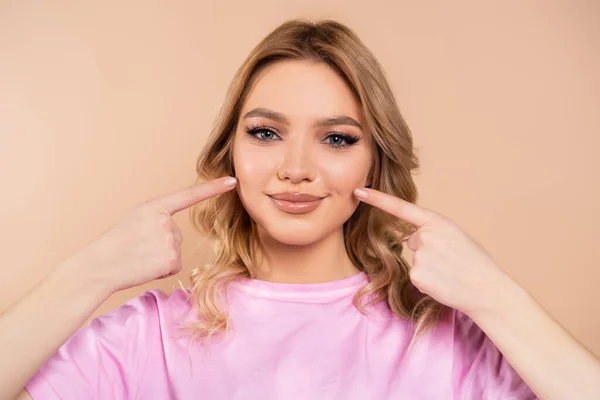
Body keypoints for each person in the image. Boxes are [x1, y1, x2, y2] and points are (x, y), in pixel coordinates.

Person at [2, 19, 599, 400]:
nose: (296, 167)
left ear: (374, 160)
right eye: (265, 133)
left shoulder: (449, 341)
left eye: (337, 138)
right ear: (230, 149)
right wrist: (88, 273)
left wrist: (498, 296)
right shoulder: (150, 333)